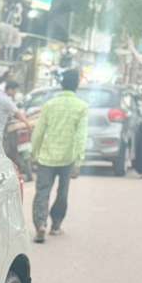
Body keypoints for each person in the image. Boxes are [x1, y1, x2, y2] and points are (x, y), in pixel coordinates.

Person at [30, 68, 88, 243]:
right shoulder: (82, 107)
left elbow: (39, 131)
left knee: (42, 191)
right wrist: (79, 161)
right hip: (67, 158)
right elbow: (81, 136)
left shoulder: (49, 105)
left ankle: (40, 224)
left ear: (62, 84)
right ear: (76, 85)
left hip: (46, 157)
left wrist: (34, 153)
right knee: (62, 192)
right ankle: (55, 226)